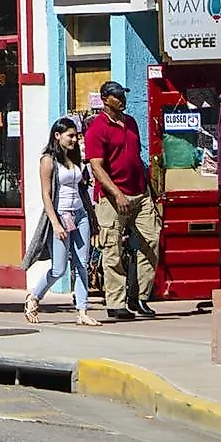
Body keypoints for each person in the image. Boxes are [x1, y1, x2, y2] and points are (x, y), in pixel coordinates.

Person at [84, 80, 160, 320]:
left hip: (140, 192)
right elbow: (96, 167)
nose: (122, 99)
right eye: (117, 96)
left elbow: (137, 158)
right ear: (106, 99)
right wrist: (117, 194)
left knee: (152, 241)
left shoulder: (130, 123)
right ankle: (115, 302)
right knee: (112, 249)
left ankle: (139, 297)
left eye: (122, 95)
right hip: (112, 198)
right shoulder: (97, 128)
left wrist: (151, 191)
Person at [26, 117, 100, 325]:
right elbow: (46, 195)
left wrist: (91, 219)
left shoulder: (75, 159)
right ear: (57, 136)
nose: (74, 139)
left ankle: (82, 311)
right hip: (60, 215)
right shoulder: (48, 160)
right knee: (59, 268)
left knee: (82, 264)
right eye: (70, 135)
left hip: (80, 214)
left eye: (76, 135)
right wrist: (56, 224)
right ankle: (34, 297)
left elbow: (82, 188)